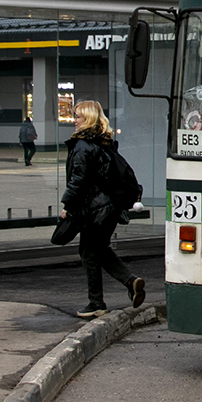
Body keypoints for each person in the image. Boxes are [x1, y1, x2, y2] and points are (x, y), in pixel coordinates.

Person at [60, 100, 145, 319]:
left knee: (89, 253)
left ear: (87, 119)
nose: (74, 121)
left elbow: (78, 181)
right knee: (99, 249)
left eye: (78, 116)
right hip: (109, 209)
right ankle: (131, 282)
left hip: (95, 210)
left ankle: (96, 303)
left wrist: (67, 205)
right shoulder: (103, 142)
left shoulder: (82, 146)